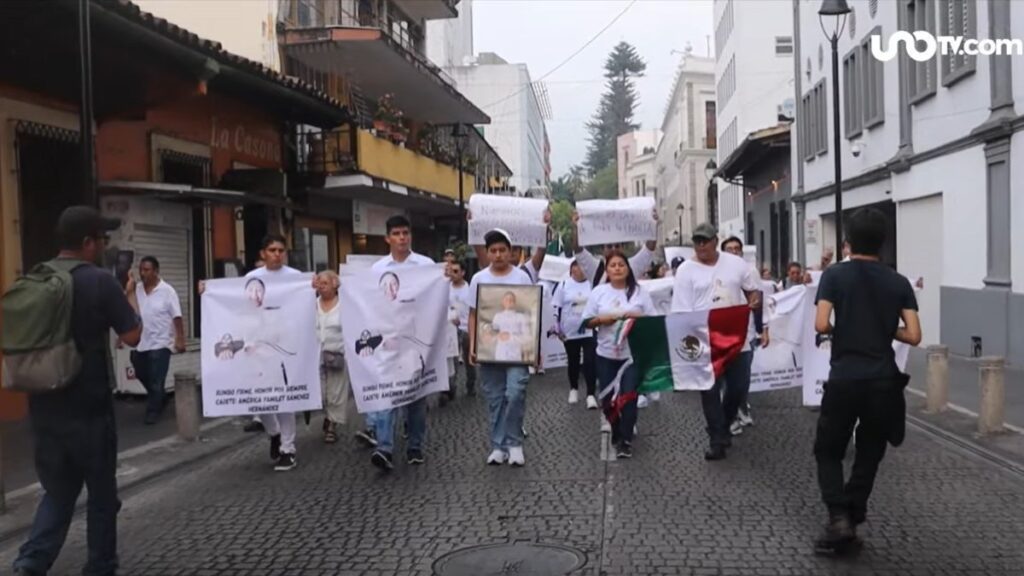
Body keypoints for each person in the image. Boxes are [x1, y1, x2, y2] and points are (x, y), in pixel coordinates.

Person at [13, 206, 142, 576]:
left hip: (44, 406)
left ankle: (30, 562)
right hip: (89, 409)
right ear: (88, 243)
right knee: (102, 496)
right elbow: (132, 335)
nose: (105, 245)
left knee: (58, 490)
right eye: (102, 239)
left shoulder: (37, 277)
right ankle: (100, 566)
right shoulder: (100, 281)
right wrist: (128, 294)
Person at [812, 208, 921, 555]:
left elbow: (820, 324)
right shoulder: (898, 281)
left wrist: (844, 327)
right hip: (883, 381)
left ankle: (838, 517)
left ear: (847, 243)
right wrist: (885, 328)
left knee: (828, 450)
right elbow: (915, 335)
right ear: (882, 243)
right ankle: (854, 514)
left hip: (845, 377)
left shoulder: (834, 276)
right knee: (870, 451)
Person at [671, 223, 764, 461]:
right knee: (709, 391)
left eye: (705, 240)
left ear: (715, 240)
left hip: (736, 337)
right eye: (697, 241)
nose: (701, 245)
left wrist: (753, 302)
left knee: (738, 387)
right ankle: (716, 439)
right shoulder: (686, 271)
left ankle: (723, 423)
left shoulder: (736, 264)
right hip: (704, 340)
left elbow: (754, 290)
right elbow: (681, 310)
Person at [368, 215, 435, 471]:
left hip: (415, 342)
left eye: (405, 233)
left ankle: (415, 445)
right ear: (388, 238)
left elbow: (435, 299)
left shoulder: (425, 265)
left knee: (415, 398)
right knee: (386, 395)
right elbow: (368, 302)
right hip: (388, 342)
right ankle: (384, 447)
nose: (402, 238)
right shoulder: (377, 270)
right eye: (396, 234)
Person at [468, 229, 535, 467]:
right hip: (491, 351)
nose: (498, 255)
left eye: (502, 250)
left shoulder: (522, 278)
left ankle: (514, 443)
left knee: (515, 393)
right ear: (487, 253)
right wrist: (473, 346)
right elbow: (475, 315)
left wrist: (535, 351)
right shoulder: (478, 279)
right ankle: (498, 446)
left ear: (511, 252)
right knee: (495, 398)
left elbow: (531, 315)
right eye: (493, 251)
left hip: (517, 352)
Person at [583, 250, 657, 459]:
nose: (617, 268)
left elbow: (652, 320)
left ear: (628, 269)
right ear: (607, 270)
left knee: (628, 396)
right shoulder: (599, 292)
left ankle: (625, 439)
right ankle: (616, 430)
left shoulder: (639, 292)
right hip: (606, 354)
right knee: (608, 400)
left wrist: (637, 315)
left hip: (631, 356)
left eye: (621, 265)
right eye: (613, 265)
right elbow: (587, 320)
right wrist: (601, 320)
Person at [240, 234, 301, 472]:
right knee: (260, 399)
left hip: (285, 346)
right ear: (263, 253)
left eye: (280, 250)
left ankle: (288, 448)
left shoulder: (296, 278)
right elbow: (240, 309)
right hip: (258, 347)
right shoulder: (251, 278)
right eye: (272, 250)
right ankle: (274, 433)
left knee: (285, 399)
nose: (277, 254)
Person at [720, 237, 769, 437]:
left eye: (737, 249)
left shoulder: (751, 272)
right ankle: (729, 418)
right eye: (729, 249)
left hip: (746, 332)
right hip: (721, 333)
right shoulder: (717, 271)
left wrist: (764, 327)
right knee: (723, 377)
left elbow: (761, 299)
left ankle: (739, 406)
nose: (733, 252)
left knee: (742, 378)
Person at [132, 255, 185, 425]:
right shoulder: (137, 289)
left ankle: (153, 411)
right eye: (141, 269)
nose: (142, 273)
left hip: (161, 341)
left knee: (156, 377)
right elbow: (131, 313)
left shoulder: (167, 291)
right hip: (142, 341)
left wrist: (180, 339)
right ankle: (160, 397)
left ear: (156, 271)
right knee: (140, 370)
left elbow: (177, 317)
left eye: (146, 270)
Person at [315, 270, 351, 444]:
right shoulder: (312, 305)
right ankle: (327, 415)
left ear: (335, 285)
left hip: (336, 354)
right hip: (315, 356)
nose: (322, 287)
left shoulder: (344, 306)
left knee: (336, 392)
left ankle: (332, 425)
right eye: (319, 283)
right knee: (320, 393)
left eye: (325, 283)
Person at [555, 260, 597, 408]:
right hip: (570, 331)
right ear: (572, 269)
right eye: (579, 266)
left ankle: (591, 394)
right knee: (573, 360)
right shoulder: (564, 285)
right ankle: (574, 388)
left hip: (589, 329)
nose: (582, 269)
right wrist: (557, 327)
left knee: (590, 361)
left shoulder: (592, 284)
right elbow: (557, 308)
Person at [446, 259, 476, 400]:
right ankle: (450, 388)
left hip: (466, 329)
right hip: (451, 329)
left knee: (469, 360)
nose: (453, 274)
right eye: (451, 271)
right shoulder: (446, 288)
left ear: (463, 273)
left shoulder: (469, 289)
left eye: (456, 271)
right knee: (452, 361)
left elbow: (474, 310)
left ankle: (471, 385)